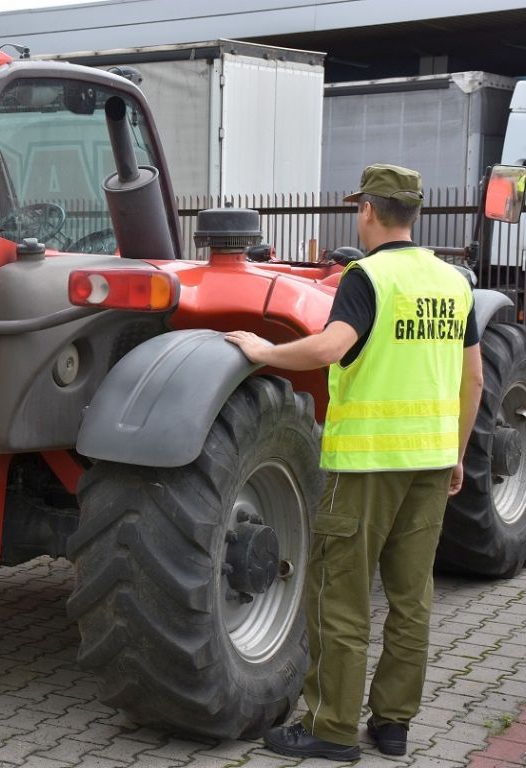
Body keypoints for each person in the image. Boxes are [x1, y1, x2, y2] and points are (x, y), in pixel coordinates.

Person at [225, 163, 484, 762]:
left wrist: (266, 349)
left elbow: (332, 346)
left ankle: (331, 728)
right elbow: (472, 376)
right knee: (411, 597)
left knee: (340, 597)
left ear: (367, 210)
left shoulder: (367, 277)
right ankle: (392, 726)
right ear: (414, 213)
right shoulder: (452, 282)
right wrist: (457, 452)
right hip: (429, 462)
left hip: (366, 466)